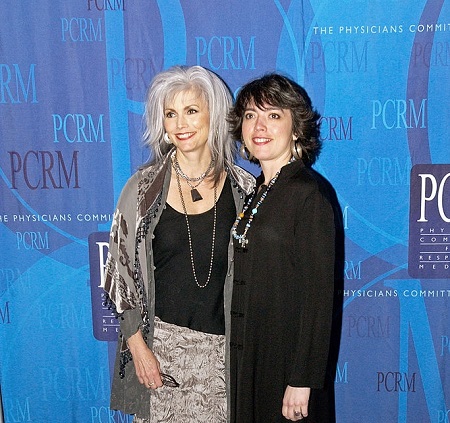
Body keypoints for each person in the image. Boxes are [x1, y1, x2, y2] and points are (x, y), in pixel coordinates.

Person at [102, 65, 255, 422]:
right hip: (162, 352)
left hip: (223, 358)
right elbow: (118, 277)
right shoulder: (141, 190)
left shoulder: (245, 190)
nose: (180, 123)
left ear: (213, 116)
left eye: (191, 111)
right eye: (171, 114)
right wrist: (138, 348)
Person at [228, 73, 342, 422]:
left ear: (296, 129)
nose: (259, 125)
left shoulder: (309, 194)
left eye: (274, 115)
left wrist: (302, 380)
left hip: (288, 368)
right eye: (250, 115)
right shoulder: (258, 189)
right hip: (253, 356)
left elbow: (319, 297)